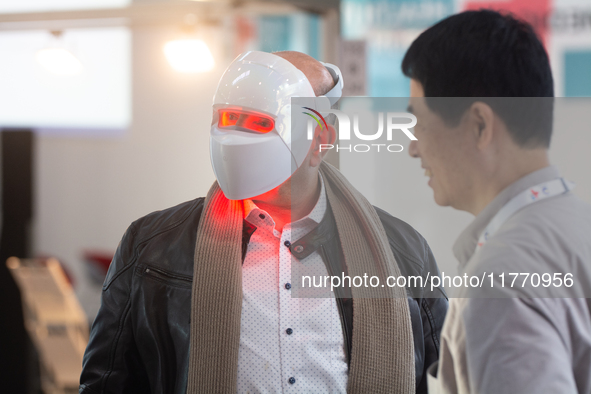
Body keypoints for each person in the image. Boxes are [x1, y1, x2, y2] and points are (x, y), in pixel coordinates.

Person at [80, 50, 447, 394]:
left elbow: (445, 380)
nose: (237, 136)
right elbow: (107, 382)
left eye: (258, 122)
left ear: (321, 139)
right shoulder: (152, 247)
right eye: (230, 118)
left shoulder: (403, 253)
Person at [403, 10, 591, 394]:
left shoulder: (501, 278)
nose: (413, 147)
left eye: (420, 122)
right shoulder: (577, 227)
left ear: (479, 125)